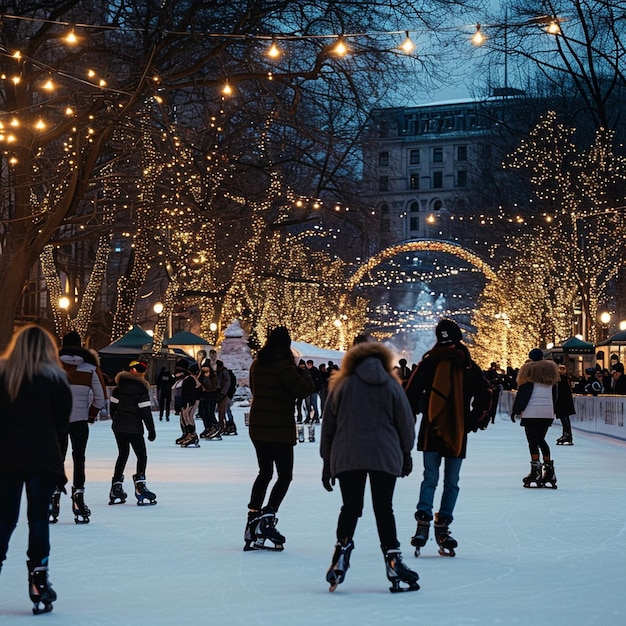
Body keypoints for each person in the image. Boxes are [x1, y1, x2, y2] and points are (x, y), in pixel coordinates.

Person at [320, 336, 419, 593]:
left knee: (351, 507)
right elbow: (405, 422)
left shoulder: (341, 385)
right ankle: (394, 561)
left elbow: (328, 426)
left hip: (347, 454)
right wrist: (406, 453)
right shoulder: (390, 384)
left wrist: (327, 462)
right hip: (384, 454)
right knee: (384, 508)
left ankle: (341, 553)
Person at [0, 325, 72, 614]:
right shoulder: (56, 381)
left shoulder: (4, 378)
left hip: (5, 457)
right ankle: (38, 581)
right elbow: (61, 424)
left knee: (4, 519)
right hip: (42, 456)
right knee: (38, 519)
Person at [404, 319, 491, 557]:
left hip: (431, 429)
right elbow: (485, 393)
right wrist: (473, 419)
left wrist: (413, 416)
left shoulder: (430, 361)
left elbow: (409, 393)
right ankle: (441, 525)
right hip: (455, 430)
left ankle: (425, 522)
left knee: (431, 478)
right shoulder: (467, 365)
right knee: (449, 481)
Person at [244, 326, 314, 551]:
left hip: (258, 426)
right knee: (284, 475)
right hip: (279, 428)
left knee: (264, 473)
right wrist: (303, 371)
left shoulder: (257, 363)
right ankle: (268, 516)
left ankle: (252, 520)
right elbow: (303, 389)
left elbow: (255, 390)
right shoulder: (285, 366)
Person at [50, 330, 107, 524]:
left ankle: (53, 499)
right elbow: (101, 397)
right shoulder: (90, 367)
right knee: (79, 457)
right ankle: (78, 500)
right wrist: (90, 413)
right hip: (80, 421)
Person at [108, 360, 157, 505]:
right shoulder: (142, 390)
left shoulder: (118, 389)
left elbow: (112, 409)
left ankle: (116, 487)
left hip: (119, 427)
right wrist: (151, 429)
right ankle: (140, 487)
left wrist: (118, 420)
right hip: (134, 428)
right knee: (141, 455)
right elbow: (145, 412)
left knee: (123, 454)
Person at [511, 349, 561, 489]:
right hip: (546, 413)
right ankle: (549, 471)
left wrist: (516, 410)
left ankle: (536, 471)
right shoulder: (551, 375)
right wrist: (551, 409)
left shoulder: (528, 372)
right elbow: (555, 396)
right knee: (541, 439)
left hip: (531, 412)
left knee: (533, 441)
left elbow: (523, 394)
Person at [555, 363, 576, 445]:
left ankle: (567, 434)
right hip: (562, 400)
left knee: (564, 417)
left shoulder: (563, 379)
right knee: (564, 417)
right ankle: (566, 434)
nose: (561, 370)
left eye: (563, 368)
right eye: (559, 368)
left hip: (563, 401)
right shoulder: (562, 379)